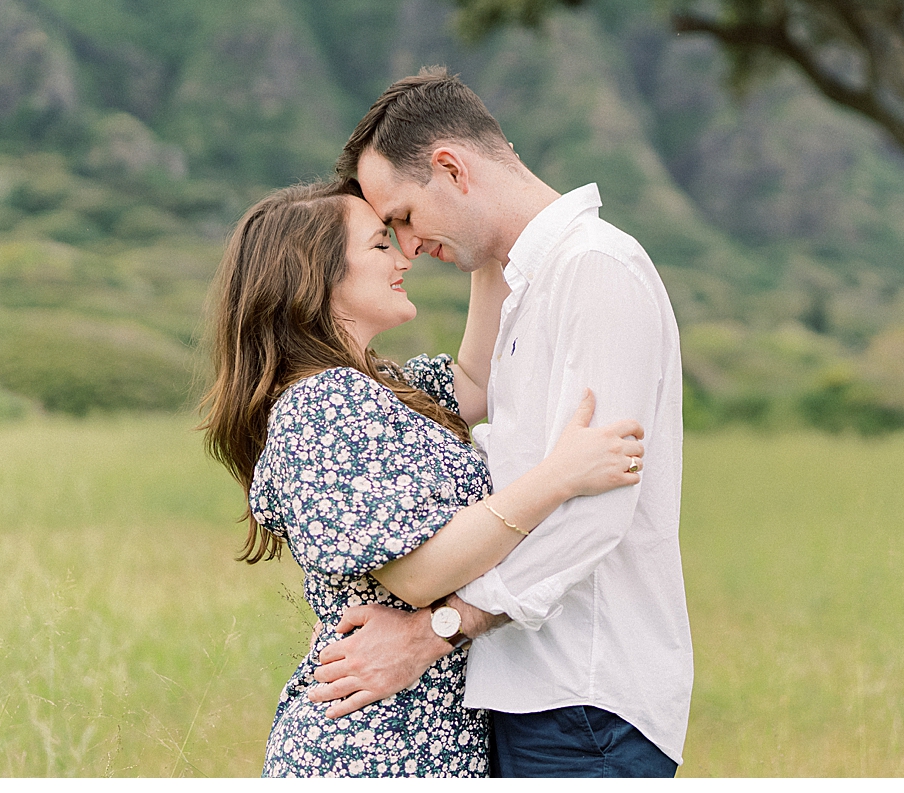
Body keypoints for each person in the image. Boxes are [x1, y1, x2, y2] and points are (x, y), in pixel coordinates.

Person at [309, 71, 692, 777]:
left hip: (585, 698)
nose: (407, 245)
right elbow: (474, 394)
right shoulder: (532, 284)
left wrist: (434, 631)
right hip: (535, 692)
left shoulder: (594, 271)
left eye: (401, 215)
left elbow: (595, 511)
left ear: (451, 168)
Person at [200, 179, 646, 777]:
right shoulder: (320, 405)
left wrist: (486, 228)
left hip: (422, 733)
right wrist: (560, 477)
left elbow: (475, 381)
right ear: (319, 279)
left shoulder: (379, 387)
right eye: (381, 244)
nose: (404, 255)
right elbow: (417, 575)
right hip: (372, 744)